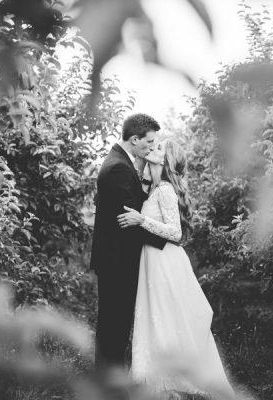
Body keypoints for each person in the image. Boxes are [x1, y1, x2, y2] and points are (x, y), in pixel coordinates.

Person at [118, 139, 244, 400]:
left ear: (165, 162)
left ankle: (171, 379)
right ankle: (159, 381)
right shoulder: (156, 188)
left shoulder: (164, 189)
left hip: (164, 261)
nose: (153, 148)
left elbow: (175, 233)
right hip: (154, 261)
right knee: (159, 319)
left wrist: (141, 219)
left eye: (158, 148)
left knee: (166, 319)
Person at [91, 113, 167, 372]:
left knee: (112, 321)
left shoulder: (118, 162)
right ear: (134, 140)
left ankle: (107, 377)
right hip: (118, 259)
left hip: (113, 256)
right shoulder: (119, 168)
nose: (151, 148)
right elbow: (130, 218)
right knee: (116, 323)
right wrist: (165, 240)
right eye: (148, 143)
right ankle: (109, 380)